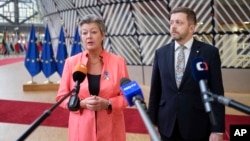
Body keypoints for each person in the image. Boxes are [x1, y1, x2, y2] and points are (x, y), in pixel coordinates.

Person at [148, 7, 225, 141]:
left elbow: (217, 92)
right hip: (166, 125)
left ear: (191, 28)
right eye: (171, 22)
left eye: (179, 23)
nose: (173, 27)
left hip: (197, 126)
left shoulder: (209, 53)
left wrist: (217, 129)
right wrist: (151, 123)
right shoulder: (160, 53)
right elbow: (155, 91)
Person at [56, 14, 129, 141]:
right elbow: (61, 97)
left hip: (111, 131)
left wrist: (108, 103)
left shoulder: (119, 62)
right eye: (84, 33)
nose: (88, 36)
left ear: (103, 34)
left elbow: (127, 97)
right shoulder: (71, 63)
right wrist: (81, 104)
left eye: (93, 32)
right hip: (81, 132)